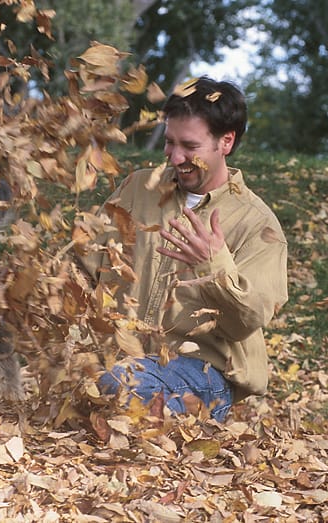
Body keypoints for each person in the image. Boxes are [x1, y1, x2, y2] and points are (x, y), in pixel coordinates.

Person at [78, 76, 288, 422]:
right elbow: (87, 267)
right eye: (170, 142)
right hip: (124, 360)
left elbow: (247, 321)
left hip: (203, 373)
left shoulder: (258, 225)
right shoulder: (137, 189)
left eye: (190, 146)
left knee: (121, 388)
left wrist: (212, 266)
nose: (175, 157)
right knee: (99, 384)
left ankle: (181, 422)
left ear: (226, 141)